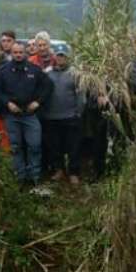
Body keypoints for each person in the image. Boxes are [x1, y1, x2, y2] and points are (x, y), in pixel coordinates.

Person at [0, 37, 51, 186]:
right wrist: (7, 103)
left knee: (34, 146)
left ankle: (35, 177)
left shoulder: (34, 70)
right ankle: (20, 178)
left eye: (20, 52)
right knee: (16, 147)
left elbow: (48, 87)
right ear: (11, 53)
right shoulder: (4, 71)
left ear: (25, 53)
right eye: (15, 52)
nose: (18, 55)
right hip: (12, 116)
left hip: (30, 115)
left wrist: (37, 102)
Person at [41, 44, 83, 182]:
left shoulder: (75, 73)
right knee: (54, 146)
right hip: (51, 116)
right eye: (58, 55)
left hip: (70, 116)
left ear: (67, 57)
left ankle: (73, 173)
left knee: (73, 147)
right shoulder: (47, 73)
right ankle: (59, 170)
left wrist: (78, 112)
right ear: (55, 56)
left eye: (63, 56)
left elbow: (81, 95)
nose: (60, 58)